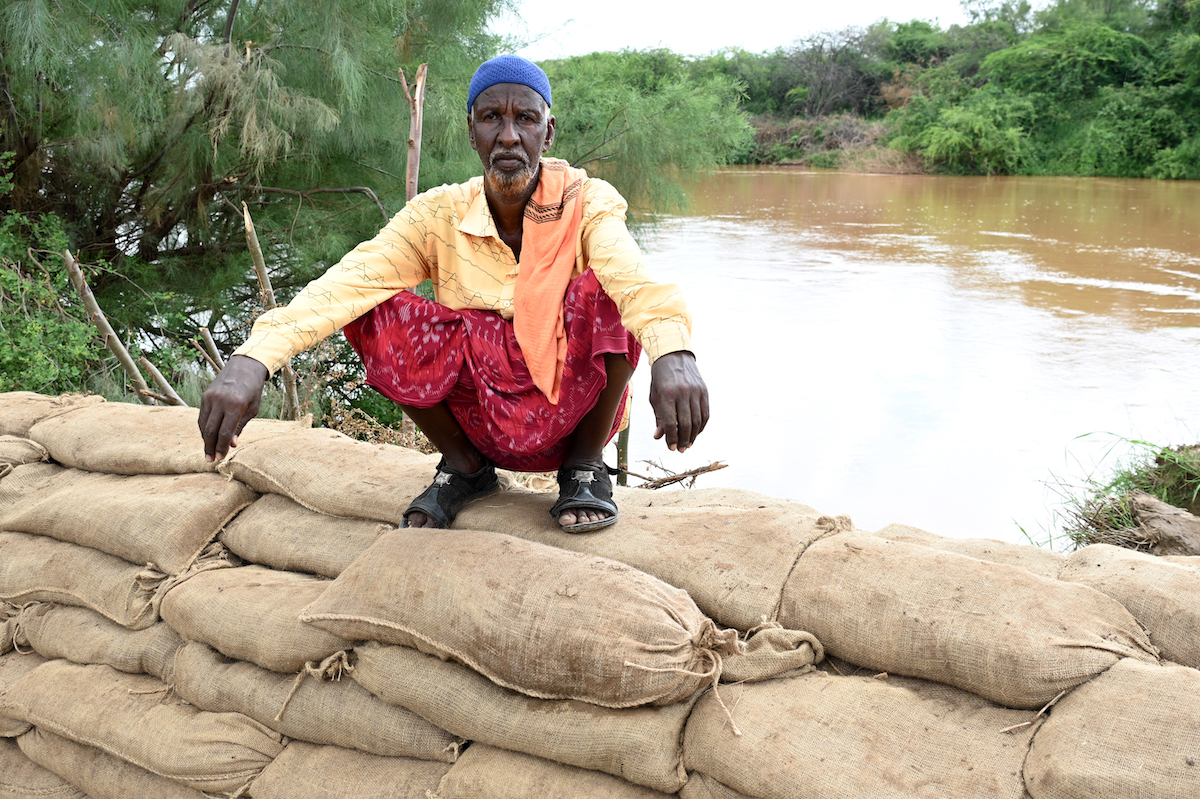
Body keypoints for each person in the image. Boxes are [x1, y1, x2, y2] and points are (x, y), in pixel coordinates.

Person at [199, 54, 709, 533]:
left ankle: (583, 468)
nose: (508, 137)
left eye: (525, 120)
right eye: (492, 118)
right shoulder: (437, 213)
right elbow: (346, 283)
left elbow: (633, 278)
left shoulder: (588, 202)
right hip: (479, 415)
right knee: (373, 306)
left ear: (547, 133)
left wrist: (675, 352)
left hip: (572, 411)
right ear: (472, 131)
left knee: (606, 293)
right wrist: (252, 360)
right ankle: (465, 468)